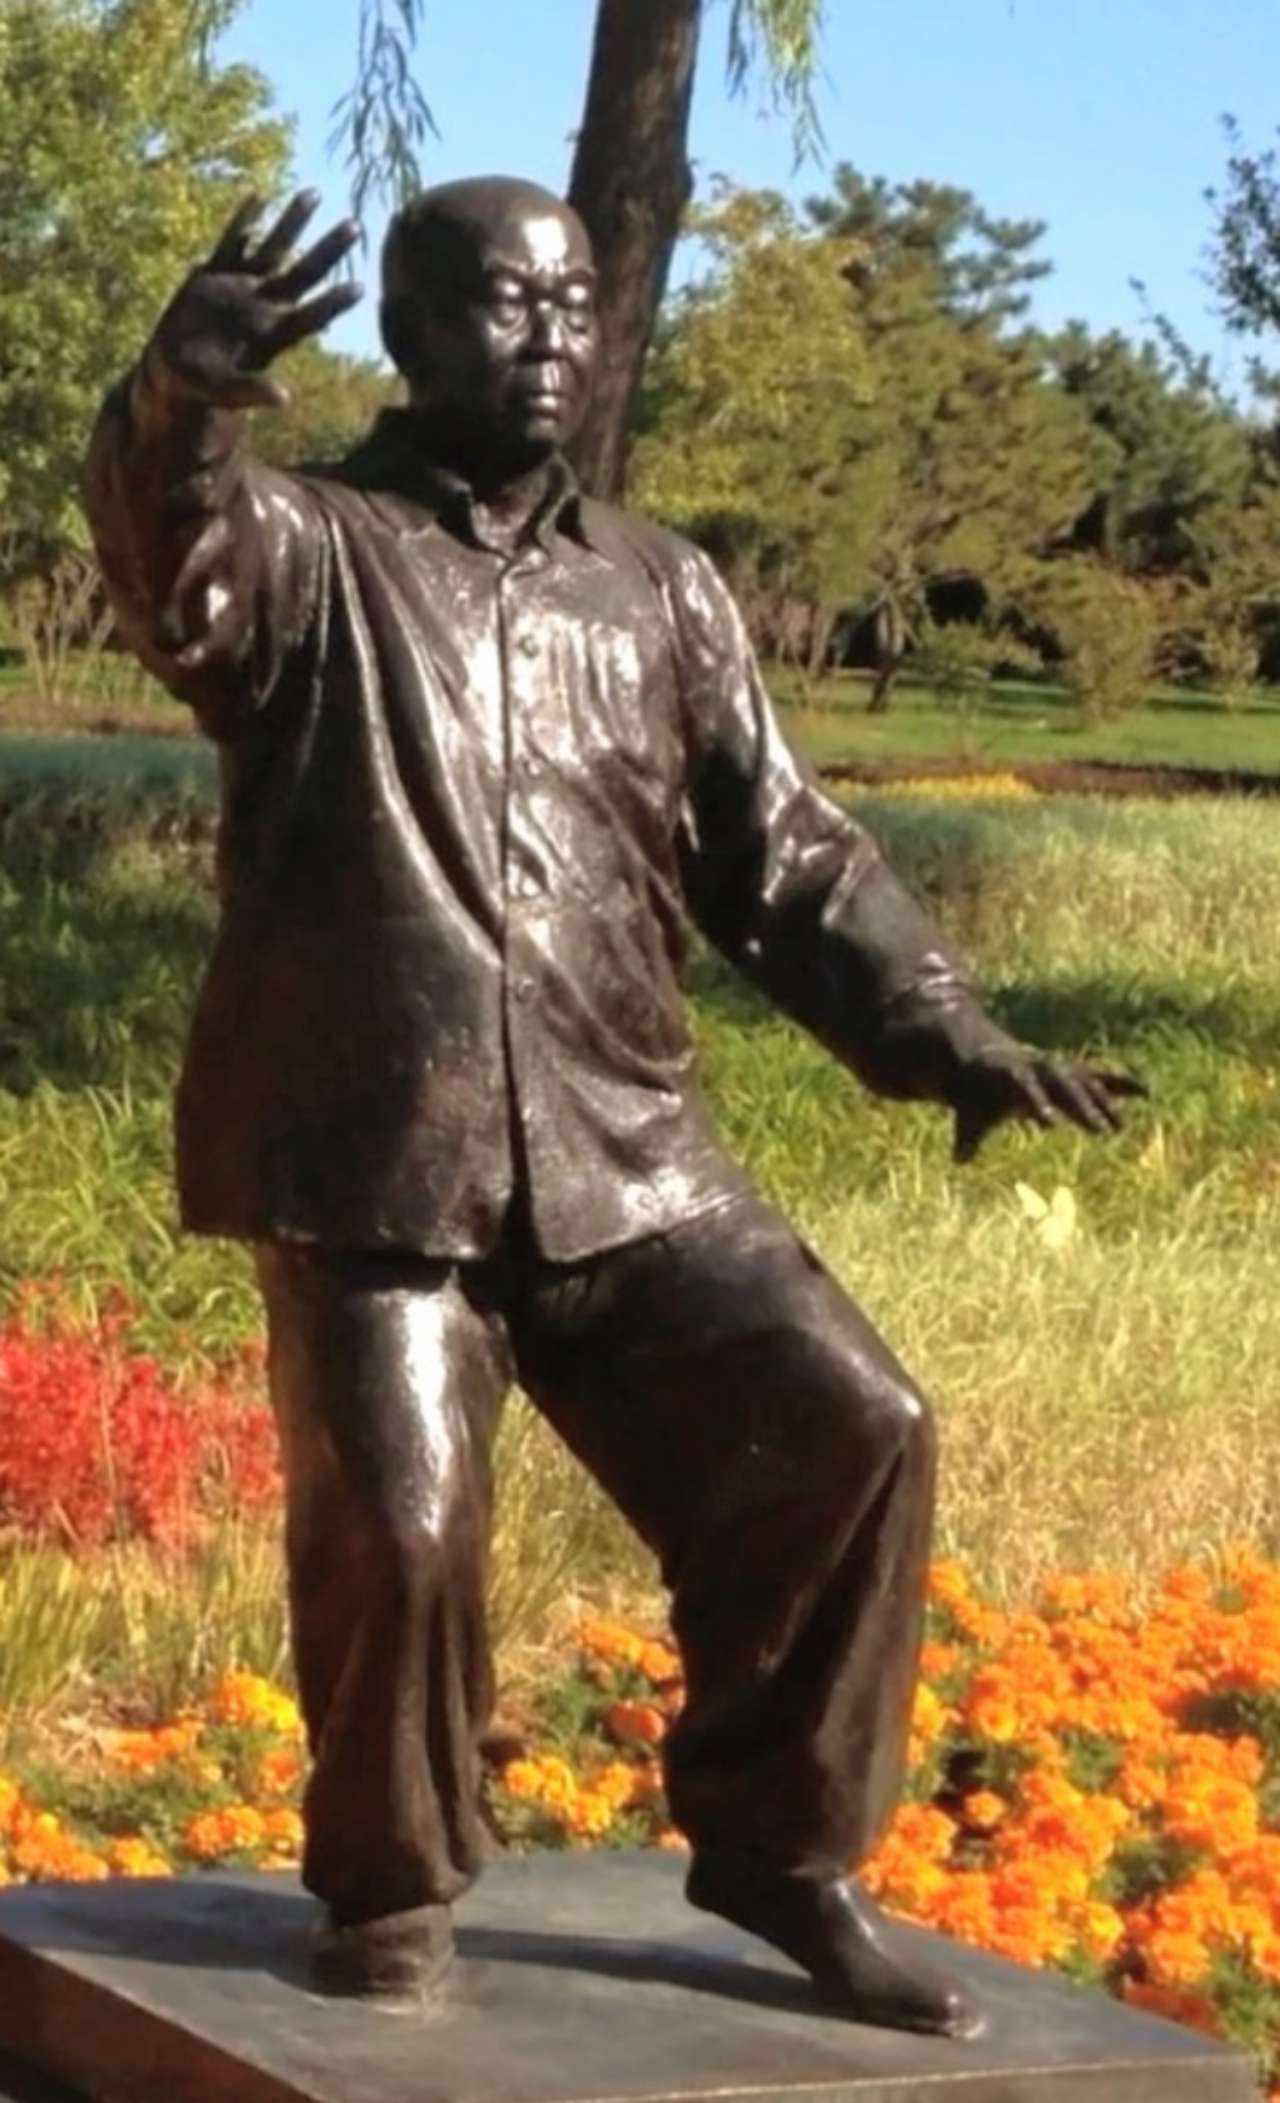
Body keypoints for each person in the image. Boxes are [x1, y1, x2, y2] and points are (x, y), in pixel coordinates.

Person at [83, 178, 1139, 2034]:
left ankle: (780, 1853)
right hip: (380, 1171)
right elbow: (173, 568)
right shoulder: (311, 548)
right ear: (414, 331)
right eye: (509, 305)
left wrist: (947, 1029)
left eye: (576, 306)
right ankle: (393, 1891)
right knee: (404, 1527)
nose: (553, 340)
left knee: (853, 1427)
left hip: (622, 1150)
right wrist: (175, 405)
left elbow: (787, 855)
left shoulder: (660, 588)